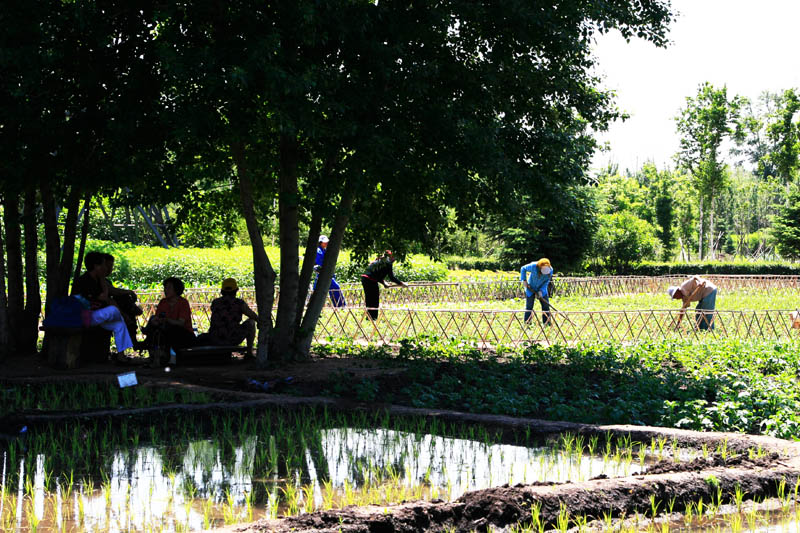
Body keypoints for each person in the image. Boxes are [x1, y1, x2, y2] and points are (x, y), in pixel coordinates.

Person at [71, 251, 134, 358]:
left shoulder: (98, 280)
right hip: (84, 317)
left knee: (119, 324)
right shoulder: (85, 281)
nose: (106, 268)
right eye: (104, 264)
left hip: (96, 316)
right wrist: (102, 279)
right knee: (113, 310)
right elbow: (104, 297)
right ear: (96, 266)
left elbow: (110, 293)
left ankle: (121, 355)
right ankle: (126, 320)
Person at [143, 277, 196, 364]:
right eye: (165, 288)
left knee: (171, 329)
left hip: (184, 335)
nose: (166, 290)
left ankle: (167, 356)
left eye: (169, 288)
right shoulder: (163, 302)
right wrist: (155, 321)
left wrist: (166, 320)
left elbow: (181, 323)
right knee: (156, 327)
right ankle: (155, 355)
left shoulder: (183, 303)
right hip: (165, 330)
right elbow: (158, 317)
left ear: (176, 289)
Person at [204, 278, 258, 358]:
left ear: (222, 290)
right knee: (251, 323)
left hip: (214, 338)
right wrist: (261, 321)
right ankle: (249, 352)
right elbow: (252, 315)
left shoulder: (215, 302)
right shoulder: (239, 303)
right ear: (236, 290)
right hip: (232, 338)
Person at [101, 253, 142, 342]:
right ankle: (129, 316)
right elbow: (112, 291)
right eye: (108, 266)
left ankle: (130, 313)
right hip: (101, 309)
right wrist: (129, 292)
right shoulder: (97, 280)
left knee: (123, 298)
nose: (110, 269)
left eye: (111, 266)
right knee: (120, 300)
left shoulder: (105, 280)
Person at [361, 250, 407, 320]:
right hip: (370, 280)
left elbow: (377, 275)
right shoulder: (388, 263)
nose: (395, 260)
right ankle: (373, 318)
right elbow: (391, 277)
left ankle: (369, 317)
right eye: (394, 258)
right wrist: (401, 283)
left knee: (369, 299)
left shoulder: (380, 261)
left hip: (365, 279)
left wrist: (384, 283)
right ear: (391, 257)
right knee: (374, 299)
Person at [314, 235, 346, 307]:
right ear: (320, 242)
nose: (326, 243)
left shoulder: (323, 250)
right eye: (324, 242)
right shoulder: (318, 251)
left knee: (316, 290)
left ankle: (311, 304)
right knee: (335, 288)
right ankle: (341, 305)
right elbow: (318, 263)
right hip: (324, 273)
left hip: (324, 273)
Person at [520, 258, 553, 325]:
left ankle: (547, 323)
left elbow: (546, 282)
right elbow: (523, 268)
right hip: (530, 288)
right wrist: (524, 280)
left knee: (546, 306)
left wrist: (541, 291)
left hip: (542, 289)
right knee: (529, 306)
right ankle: (527, 323)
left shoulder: (550, 270)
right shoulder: (533, 266)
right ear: (540, 268)